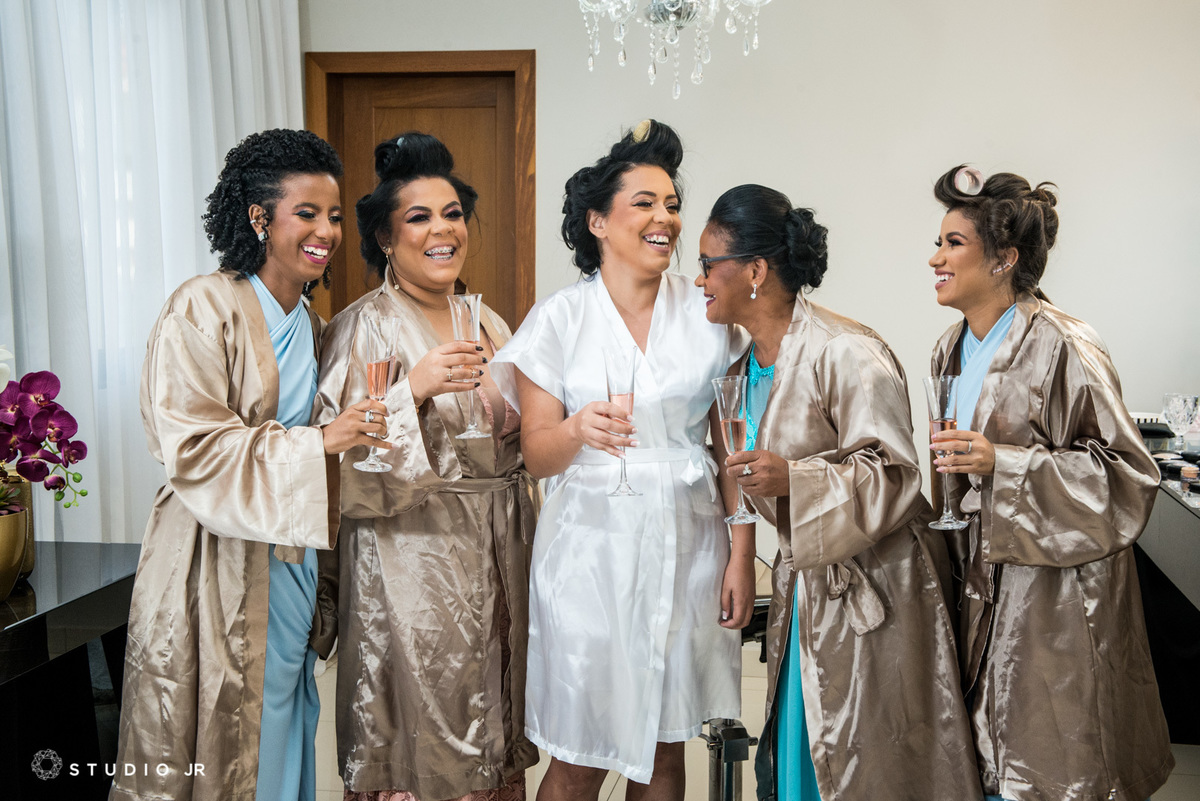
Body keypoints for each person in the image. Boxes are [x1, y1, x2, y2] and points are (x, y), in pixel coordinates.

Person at [111, 129, 385, 801]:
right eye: (307, 213)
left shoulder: (313, 327)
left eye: (334, 216)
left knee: (282, 706)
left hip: (290, 557)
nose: (326, 232)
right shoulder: (201, 306)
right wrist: (319, 442)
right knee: (221, 722)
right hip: (213, 553)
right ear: (260, 217)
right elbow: (192, 445)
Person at [489, 119, 753, 801]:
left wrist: (741, 554)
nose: (665, 218)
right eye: (644, 203)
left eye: (672, 204)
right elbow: (537, 456)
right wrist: (577, 428)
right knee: (580, 755)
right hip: (589, 554)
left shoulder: (709, 313)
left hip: (689, 541)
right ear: (598, 222)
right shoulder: (558, 320)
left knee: (665, 748)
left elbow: (730, 449)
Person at [695, 184, 981, 800]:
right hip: (806, 585)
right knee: (805, 751)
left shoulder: (844, 351)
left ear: (755, 271)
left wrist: (793, 479)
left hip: (880, 584)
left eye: (708, 264)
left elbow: (896, 474)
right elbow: (735, 474)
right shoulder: (739, 371)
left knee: (872, 760)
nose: (699, 280)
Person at [927, 165, 1173, 801]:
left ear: (1004, 258)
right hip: (979, 581)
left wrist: (1004, 465)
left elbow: (1127, 476)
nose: (935, 258)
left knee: (1052, 763)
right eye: (938, 242)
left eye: (953, 243)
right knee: (985, 757)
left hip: (1055, 599)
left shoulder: (1065, 344)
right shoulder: (948, 350)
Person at [312, 131, 537, 801]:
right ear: (385, 237)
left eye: (453, 214)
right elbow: (336, 468)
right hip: (411, 566)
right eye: (419, 217)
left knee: (497, 727)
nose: (443, 230)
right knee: (427, 736)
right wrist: (410, 390)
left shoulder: (489, 321)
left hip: (500, 556)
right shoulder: (363, 327)